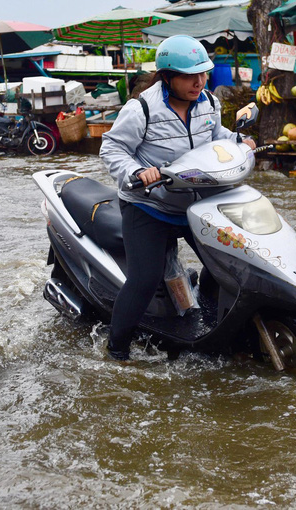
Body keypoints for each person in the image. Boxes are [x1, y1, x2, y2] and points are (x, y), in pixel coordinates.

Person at [99, 34, 255, 361]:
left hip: (196, 205)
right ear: (167, 76)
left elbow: (216, 137)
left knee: (229, 261)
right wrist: (138, 173)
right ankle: (116, 351)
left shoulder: (209, 103)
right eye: (189, 76)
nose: (199, 82)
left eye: (203, 74)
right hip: (149, 205)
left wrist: (239, 141)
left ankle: (209, 320)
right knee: (144, 279)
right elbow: (112, 147)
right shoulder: (141, 108)